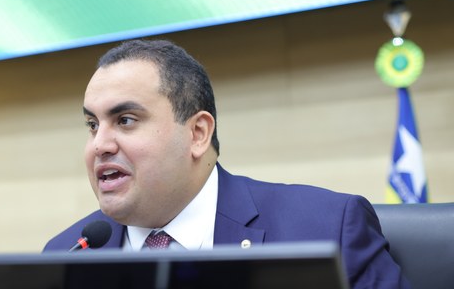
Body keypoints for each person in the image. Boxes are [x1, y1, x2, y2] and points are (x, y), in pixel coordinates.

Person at [43, 39, 409, 289]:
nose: (99, 145)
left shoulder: (325, 228)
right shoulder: (66, 256)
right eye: (93, 125)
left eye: (125, 120)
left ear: (198, 133)